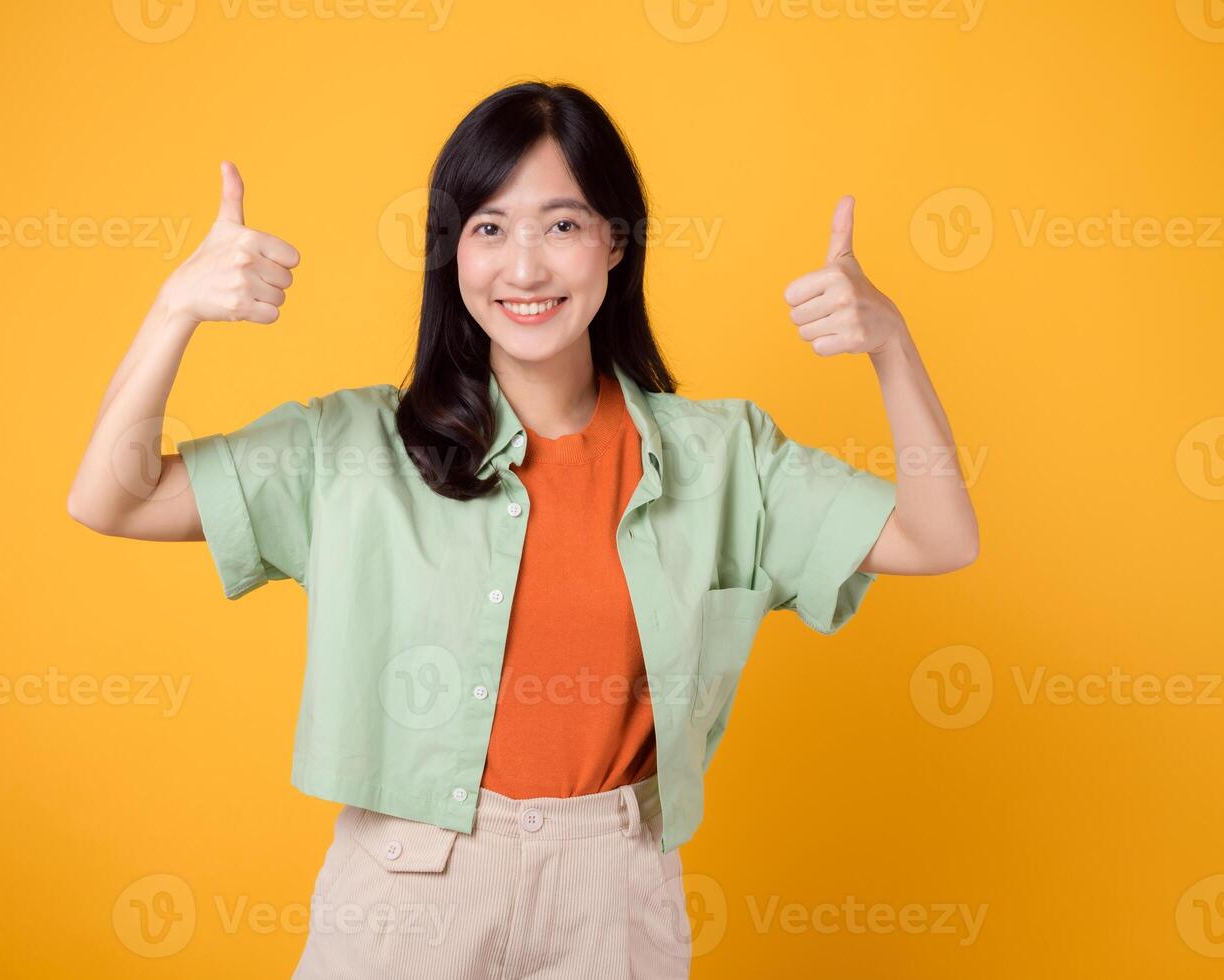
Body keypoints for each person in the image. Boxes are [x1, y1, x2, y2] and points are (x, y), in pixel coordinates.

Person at [66, 80, 978, 979]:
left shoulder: (723, 455)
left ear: (616, 243)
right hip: (406, 887)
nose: (526, 268)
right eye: (489, 228)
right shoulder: (352, 448)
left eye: (563, 224)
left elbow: (940, 538)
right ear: (451, 253)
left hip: (613, 893)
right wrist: (173, 311)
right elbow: (115, 498)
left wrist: (891, 345)